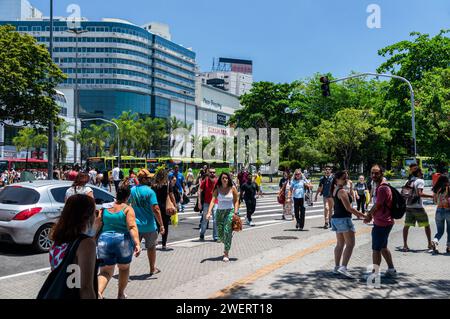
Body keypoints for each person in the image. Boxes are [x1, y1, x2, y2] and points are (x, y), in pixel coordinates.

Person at [45, 194, 97, 299]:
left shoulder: (58, 239)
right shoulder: (85, 244)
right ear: (87, 216)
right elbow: (86, 287)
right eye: (94, 212)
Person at [97, 181, 141, 299]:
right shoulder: (127, 209)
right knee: (124, 268)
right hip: (123, 241)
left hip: (104, 241)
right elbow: (132, 227)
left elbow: (97, 223)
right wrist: (137, 243)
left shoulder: (105, 207)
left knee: (105, 271)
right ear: (128, 196)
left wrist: (92, 238)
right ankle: (120, 294)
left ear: (116, 194)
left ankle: (98, 292)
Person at [330, 171, 366, 278]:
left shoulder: (336, 189)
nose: (346, 180)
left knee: (340, 244)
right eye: (343, 178)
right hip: (343, 219)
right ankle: (343, 267)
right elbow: (349, 208)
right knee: (350, 244)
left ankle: (337, 267)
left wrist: (350, 187)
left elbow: (351, 199)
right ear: (337, 180)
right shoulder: (341, 191)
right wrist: (362, 215)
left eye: (347, 178)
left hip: (336, 219)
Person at [130, 169, 165, 276]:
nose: (150, 179)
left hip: (135, 226)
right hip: (149, 226)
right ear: (143, 179)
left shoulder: (132, 190)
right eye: (149, 178)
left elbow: (128, 205)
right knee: (151, 248)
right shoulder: (150, 192)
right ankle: (152, 269)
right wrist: (162, 225)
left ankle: (124, 268)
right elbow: (156, 209)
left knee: (131, 248)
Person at [364, 165, 397, 278]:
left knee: (376, 249)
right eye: (372, 173)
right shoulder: (381, 185)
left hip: (382, 222)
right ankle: (391, 270)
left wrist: (369, 215)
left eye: (376, 173)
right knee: (383, 247)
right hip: (384, 221)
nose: (373, 175)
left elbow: (378, 205)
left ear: (382, 173)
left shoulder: (383, 188)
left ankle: (375, 274)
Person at [206, 172, 240, 262]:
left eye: (226, 178)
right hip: (219, 212)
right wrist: (209, 212)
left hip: (230, 211)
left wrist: (235, 212)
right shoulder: (217, 189)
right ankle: (227, 241)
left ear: (228, 179)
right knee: (220, 234)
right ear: (220, 180)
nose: (225, 179)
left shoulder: (232, 188)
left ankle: (226, 253)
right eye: (223, 178)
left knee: (227, 230)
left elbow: (236, 200)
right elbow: (213, 201)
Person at [402, 168, 434, 252]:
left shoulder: (408, 181)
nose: (423, 173)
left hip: (408, 206)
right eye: (421, 171)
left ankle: (405, 245)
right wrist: (432, 196)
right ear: (418, 173)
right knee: (426, 225)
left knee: (406, 225)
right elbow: (420, 194)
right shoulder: (420, 181)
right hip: (418, 207)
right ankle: (429, 244)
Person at [152, 169, 176, 250]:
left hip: (156, 206)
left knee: (157, 225)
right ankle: (164, 244)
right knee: (165, 225)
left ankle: (153, 241)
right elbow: (171, 195)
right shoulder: (168, 184)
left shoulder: (154, 185)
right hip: (165, 207)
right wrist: (175, 205)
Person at [430, 175, 450, 254]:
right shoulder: (448, 188)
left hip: (438, 211)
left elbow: (434, 201)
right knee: (449, 231)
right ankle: (449, 247)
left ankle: (435, 241)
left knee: (440, 231)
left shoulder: (436, 189)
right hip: (448, 210)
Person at [199, 169, 218, 241]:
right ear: (208, 173)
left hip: (216, 202)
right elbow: (200, 191)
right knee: (205, 220)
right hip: (206, 203)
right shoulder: (205, 181)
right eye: (211, 172)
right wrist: (199, 202)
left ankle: (215, 236)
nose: (212, 173)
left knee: (216, 220)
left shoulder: (217, 181)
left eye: (214, 172)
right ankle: (202, 233)